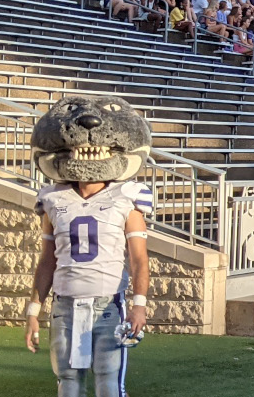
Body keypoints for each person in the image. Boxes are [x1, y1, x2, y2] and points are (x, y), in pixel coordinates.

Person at [25, 169, 152, 396]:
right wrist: (33, 310)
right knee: (68, 381)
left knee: (109, 382)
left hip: (108, 306)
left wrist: (139, 305)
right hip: (64, 307)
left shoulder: (125, 197)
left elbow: (139, 259)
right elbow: (46, 262)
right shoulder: (54, 199)